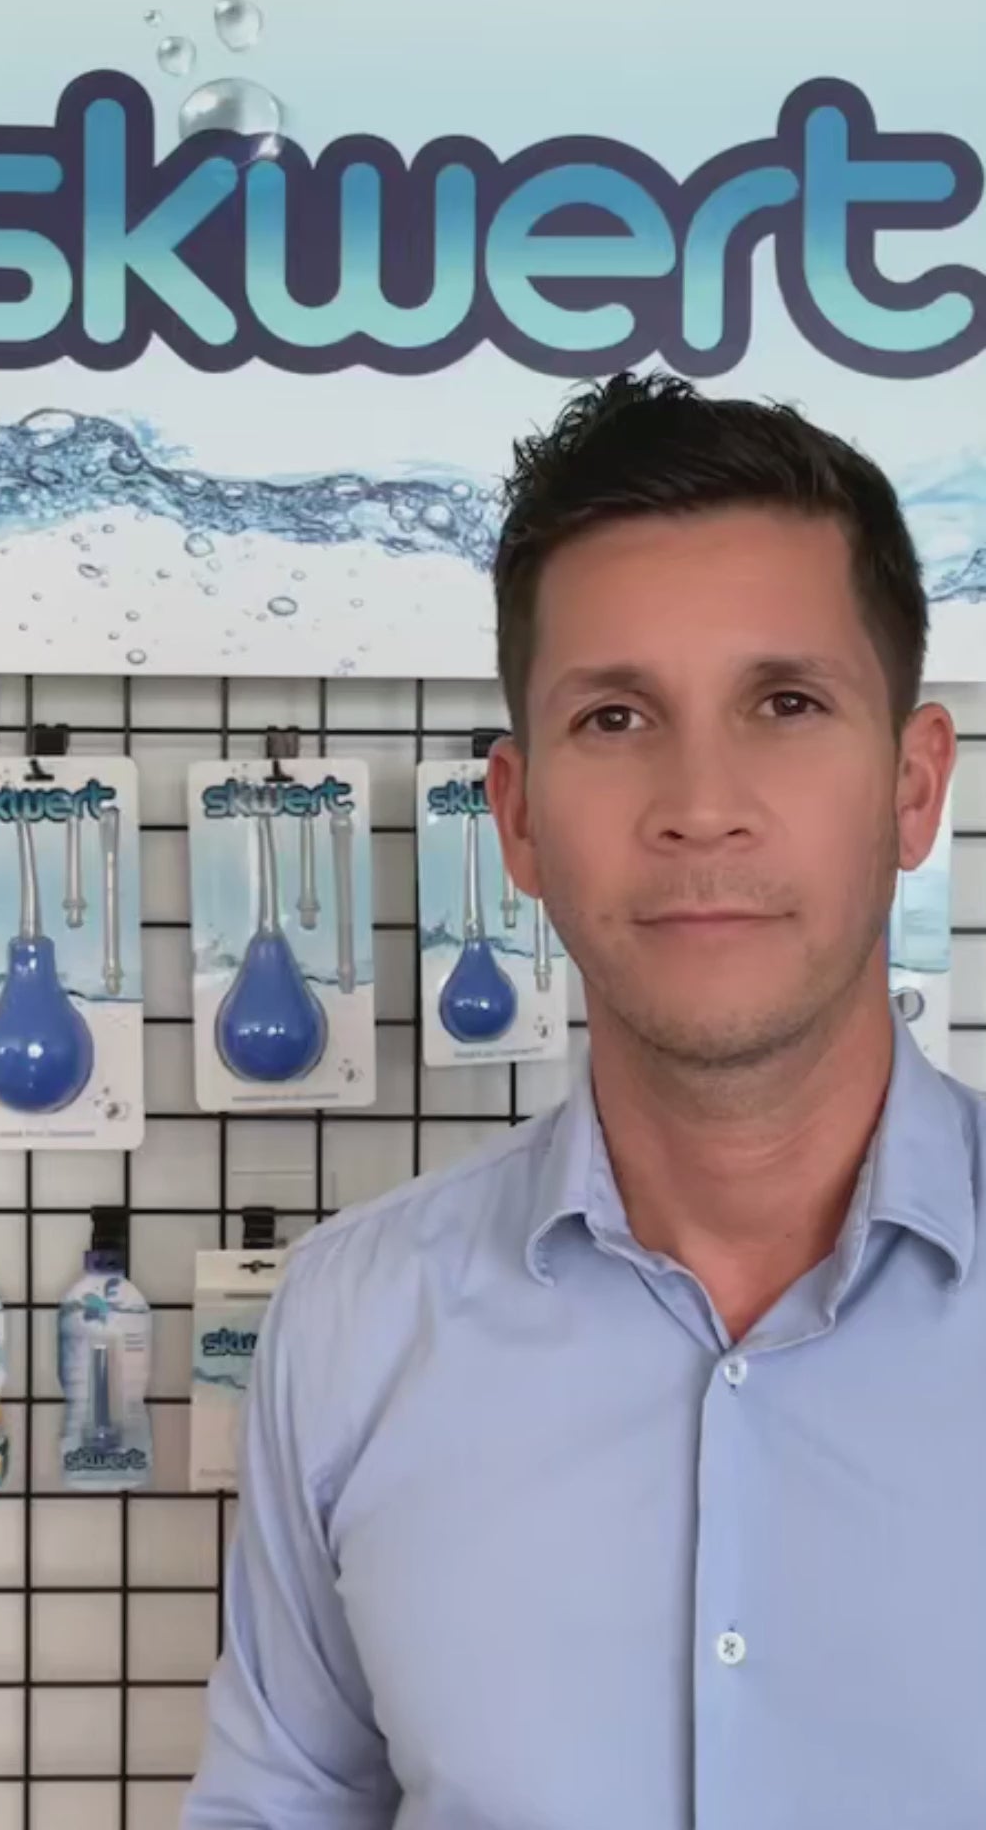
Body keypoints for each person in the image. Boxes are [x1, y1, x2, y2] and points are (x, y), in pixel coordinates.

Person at [184, 371, 981, 1830]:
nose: (700, 803)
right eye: (616, 717)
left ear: (914, 786)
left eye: (786, 703)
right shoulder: (353, 1326)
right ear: (519, 816)